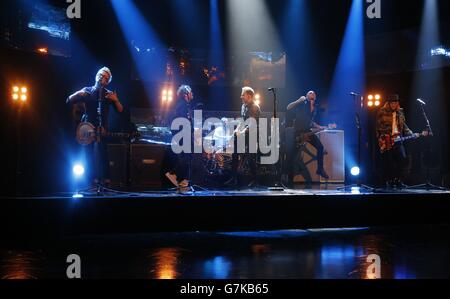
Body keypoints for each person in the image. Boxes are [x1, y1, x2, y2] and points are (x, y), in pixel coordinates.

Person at [66, 67, 123, 185]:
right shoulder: (87, 90)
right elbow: (68, 100)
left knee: (104, 153)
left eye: (106, 77)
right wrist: (78, 93)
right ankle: (91, 179)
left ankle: (106, 180)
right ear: (97, 75)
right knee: (88, 155)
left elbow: (120, 111)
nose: (103, 77)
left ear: (108, 81)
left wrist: (116, 100)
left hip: (102, 128)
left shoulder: (108, 94)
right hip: (87, 127)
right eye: (101, 75)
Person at [376, 94, 427, 188]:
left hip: (398, 139)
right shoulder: (382, 112)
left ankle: (398, 180)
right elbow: (378, 127)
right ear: (389, 103)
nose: (394, 105)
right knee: (389, 162)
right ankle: (389, 181)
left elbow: (404, 126)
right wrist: (384, 138)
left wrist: (411, 134)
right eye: (392, 103)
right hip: (387, 140)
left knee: (402, 159)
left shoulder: (400, 112)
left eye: (395, 103)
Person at [286, 91, 329, 181]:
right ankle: (288, 176)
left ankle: (320, 169)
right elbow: (288, 107)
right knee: (292, 155)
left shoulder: (315, 108)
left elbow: (310, 121)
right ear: (306, 95)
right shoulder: (302, 103)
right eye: (310, 93)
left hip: (307, 132)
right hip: (298, 132)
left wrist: (319, 127)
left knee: (320, 147)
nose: (312, 93)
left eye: (314, 93)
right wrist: (299, 100)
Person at [226, 86, 261, 188]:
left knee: (250, 158)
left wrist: (242, 132)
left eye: (243, 95)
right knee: (235, 155)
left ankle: (255, 180)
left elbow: (251, 124)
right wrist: (237, 129)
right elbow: (242, 121)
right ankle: (233, 178)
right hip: (243, 134)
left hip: (252, 135)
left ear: (249, 96)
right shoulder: (243, 106)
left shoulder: (255, 107)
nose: (241, 96)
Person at [165, 85, 195, 192]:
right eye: (190, 92)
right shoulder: (182, 106)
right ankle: (174, 174)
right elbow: (183, 122)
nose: (192, 94)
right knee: (187, 156)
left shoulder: (184, 105)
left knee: (186, 157)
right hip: (183, 135)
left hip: (183, 134)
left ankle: (183, 180)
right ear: (185, 94)